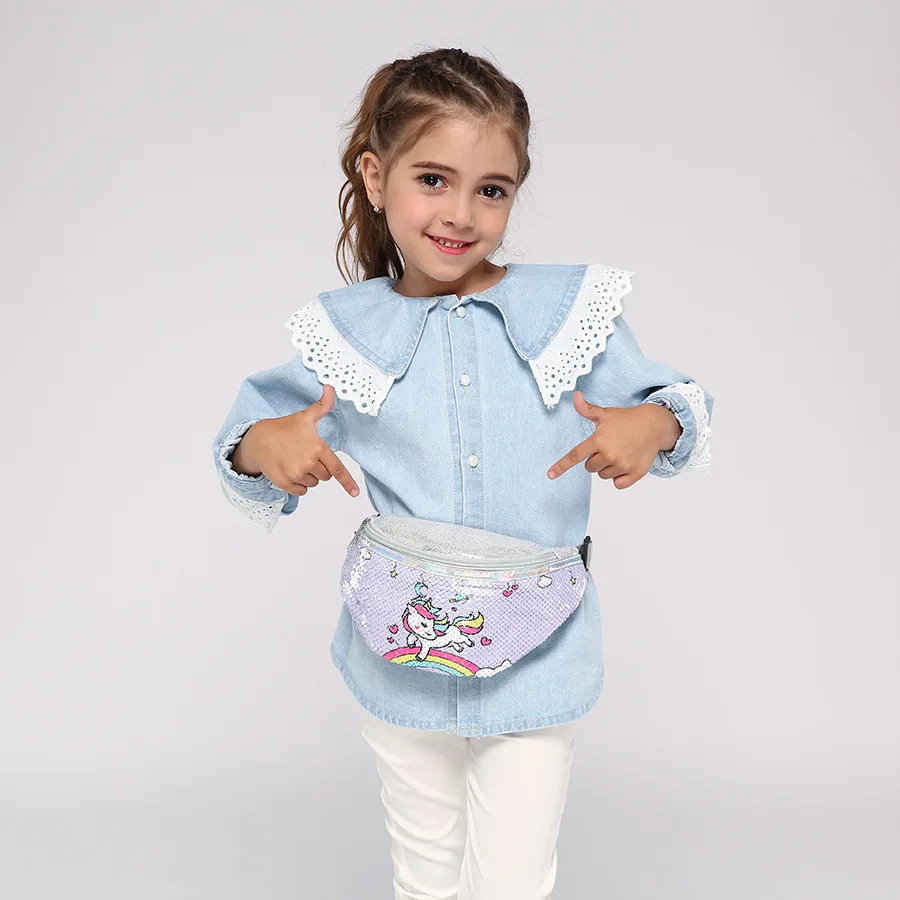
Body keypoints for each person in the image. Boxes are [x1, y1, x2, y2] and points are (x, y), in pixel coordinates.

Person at [211, 47, 714, 900]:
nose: (461, 213)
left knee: (511, 880)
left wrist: (653, 423)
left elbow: (682, 404)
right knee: (425, 874)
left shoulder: (569, 313)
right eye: (433, 179)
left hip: (541, 647)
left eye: (492, 189)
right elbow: (243, 440)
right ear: (376, 178)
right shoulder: (346, 332)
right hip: (399, 650)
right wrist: (270, 445)